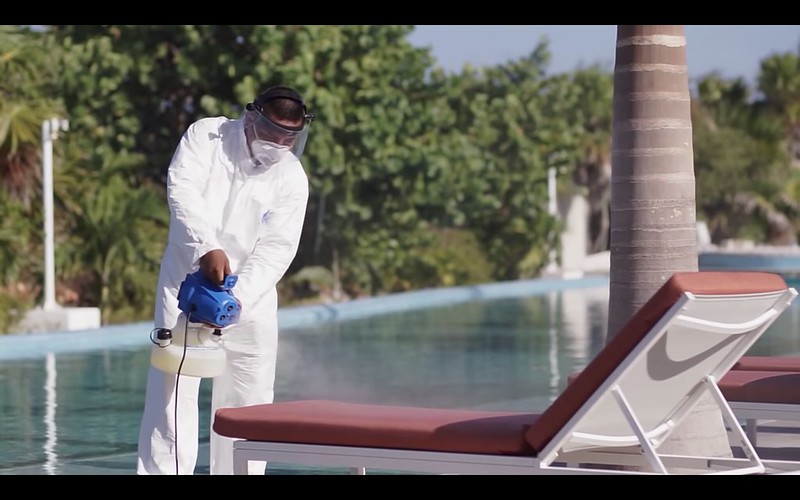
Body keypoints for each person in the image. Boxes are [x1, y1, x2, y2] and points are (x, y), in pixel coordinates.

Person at [136, 85, 314, 475]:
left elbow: (277, 248)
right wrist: (207, 247)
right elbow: (182, 191)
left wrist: (235, 300)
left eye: (289, 137)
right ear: (251, 117)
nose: (279, 144)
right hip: (186, 285)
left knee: (249, 400)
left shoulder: (292, 178)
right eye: (272, 132)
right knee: (173, 395)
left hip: (250, 299)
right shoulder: (207, 137)